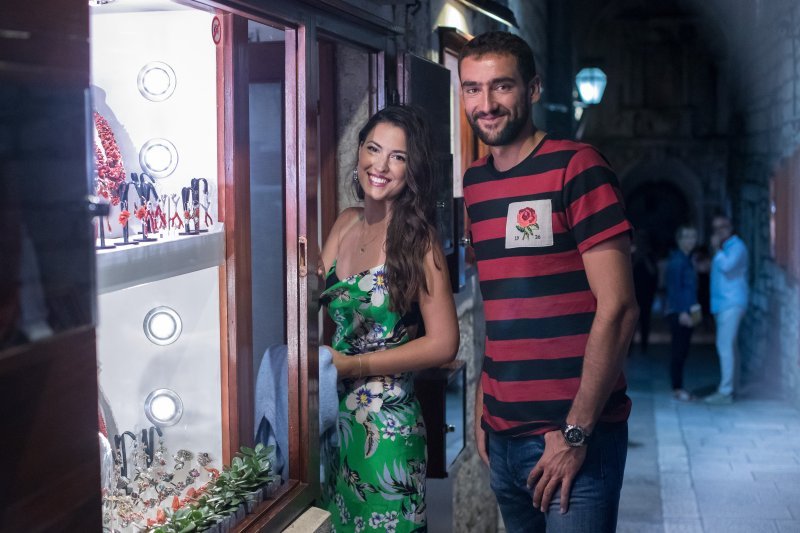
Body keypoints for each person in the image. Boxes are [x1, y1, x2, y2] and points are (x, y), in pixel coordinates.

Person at [459, 31, 639, 533]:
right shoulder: (476, 183)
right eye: (472, 89)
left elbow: (620, 307)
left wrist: (576, 432)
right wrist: (484, 404)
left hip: (575, 439)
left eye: (501, 86)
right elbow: (503, 304)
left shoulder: (577, 167)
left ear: (533, 89)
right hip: (502, 438)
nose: (486, 104)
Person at [318, 105, 459, 532]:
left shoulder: (418, 241)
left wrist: (355, 365)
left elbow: (444, 343)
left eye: (397, 157)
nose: (380, 166)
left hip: (388, 428)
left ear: (411, 171)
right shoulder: (345, 222)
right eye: (373, 149)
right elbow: (311, 302)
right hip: (335, 422)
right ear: (359, 150)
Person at [704, 213, 748, 405]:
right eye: (715, 228)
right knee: (731, 346)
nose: (718, 232)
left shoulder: (737, 246)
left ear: (730, 227)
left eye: (722, 227)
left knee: (724, 345)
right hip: (723, 303)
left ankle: (726, 391)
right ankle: (733, 387)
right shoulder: (726, 248)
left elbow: (728, 266)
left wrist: (716, 249)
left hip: (731, 302)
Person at [665, 225, 699, 401]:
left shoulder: (688, 259)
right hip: (680, 312)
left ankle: (679, 386)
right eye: (687, 237)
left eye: (693, 236)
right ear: (679, 240)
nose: (691, 240)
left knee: (683, 350)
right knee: (678, 350)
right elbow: (674, 289)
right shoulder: (678, 261)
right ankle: (677, 388)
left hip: (689, 310)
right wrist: (681, 312)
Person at [632, 231, 658, 354]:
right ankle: (630, 348)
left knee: (645, 321)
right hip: (635, 293)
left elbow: (653, 272)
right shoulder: (633, 254)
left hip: (646, 294)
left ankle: (644, 346)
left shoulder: (649, 255)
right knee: (633, 321)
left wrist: (644, 257)